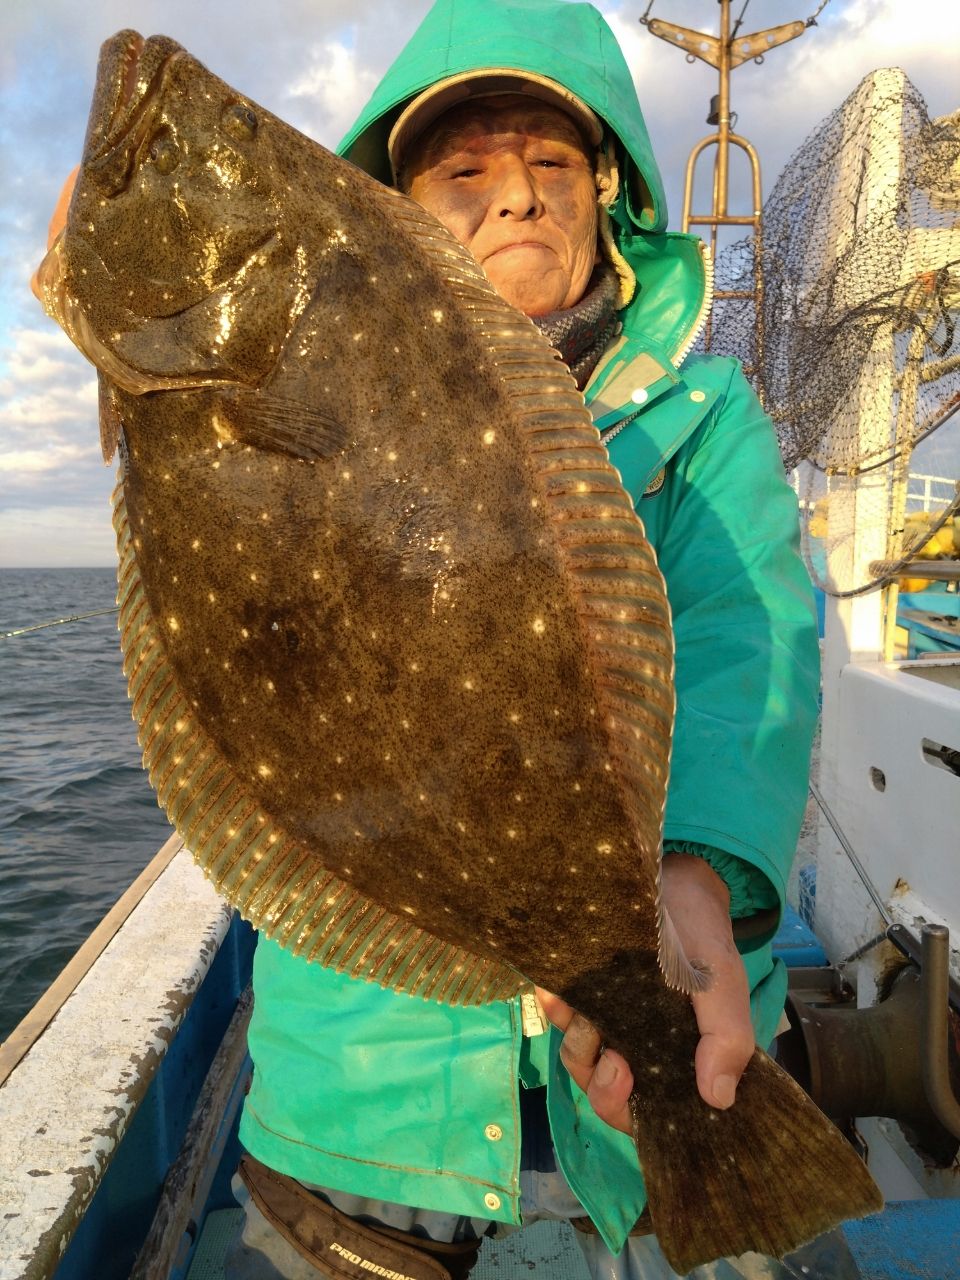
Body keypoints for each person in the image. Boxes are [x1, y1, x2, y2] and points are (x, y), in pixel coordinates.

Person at [35, 1, 819, 1275]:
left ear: (609, 193)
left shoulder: (701, 413)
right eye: (465, 171)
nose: (514, 199)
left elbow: (751, 639)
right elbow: (210, 478)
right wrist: (114, 299)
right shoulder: (278, 364)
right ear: (390, 203)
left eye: (552, 165)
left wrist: (693, 889)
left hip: (668, 1047)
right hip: (362, 1117)